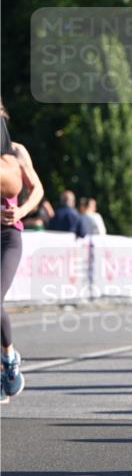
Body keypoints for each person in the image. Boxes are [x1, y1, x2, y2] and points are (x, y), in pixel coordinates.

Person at [1, 110, 44, 403]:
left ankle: (9, 358)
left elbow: (37, 188)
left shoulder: (16, 151)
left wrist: (22, 211)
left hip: (7, 237)